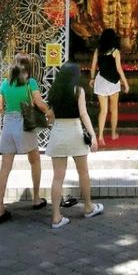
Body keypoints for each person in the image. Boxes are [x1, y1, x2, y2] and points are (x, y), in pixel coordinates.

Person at [0, 53, 53, 224]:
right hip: (24, 125)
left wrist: (9, 110)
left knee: (5, 167)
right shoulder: (30, 83)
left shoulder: (5, 83)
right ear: (27, 68)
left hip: (8, 126)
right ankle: (36, 198)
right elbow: (40, 103)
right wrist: (49, 113)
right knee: (34, 160)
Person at [45, 61, 104, 230]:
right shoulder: (78, 91)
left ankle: (56, 217)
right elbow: (84, 114)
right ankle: (88, 207)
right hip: (75, 133)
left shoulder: (54, 91)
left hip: (58, 133)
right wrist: (93, 135)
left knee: (58, 177)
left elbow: (50, 115)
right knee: (83, 172)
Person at [89, 28, 129, 145]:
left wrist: (92, 79)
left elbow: (93, 67)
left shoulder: (98, 51)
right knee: (114, 109)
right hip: (113, 82)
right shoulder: (115, 52)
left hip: (100, 81)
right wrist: (125, 83)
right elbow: (119, 69)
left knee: (103, 110)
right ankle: (113, 134)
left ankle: (100, 136)